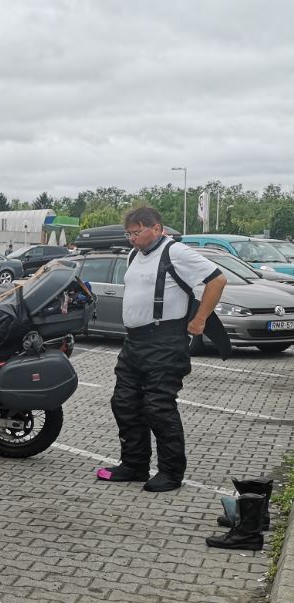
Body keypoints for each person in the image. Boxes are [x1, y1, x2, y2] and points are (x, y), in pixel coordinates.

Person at [98, 207, 225, 491]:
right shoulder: (134, 255)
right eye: (128, 233)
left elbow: (217, 280)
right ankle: (134, 465)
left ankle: (170, 472)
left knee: (159, 407)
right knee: (124, 403)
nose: (132, 239)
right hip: (134, 342)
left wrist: (200, 319)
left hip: (164, 341)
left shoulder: (175, 252)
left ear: (156, 228)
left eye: (136, 232)